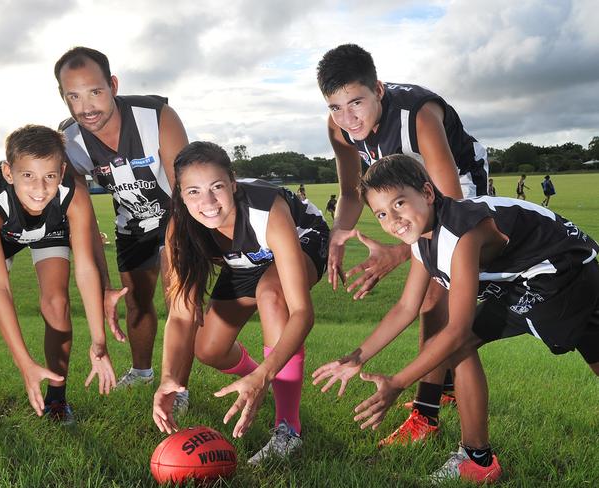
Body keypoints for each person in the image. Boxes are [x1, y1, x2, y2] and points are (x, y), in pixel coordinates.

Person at [313, 154, 599, 484]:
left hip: (558, 272)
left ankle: (478, 459)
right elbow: (406, 307)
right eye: (381, 213)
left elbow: (458, 330)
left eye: (400, 203)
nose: (393, 219)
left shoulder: (462, 233)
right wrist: (357, 356)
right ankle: (477, 458)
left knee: (457, 344)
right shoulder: (423, 237)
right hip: (561, 265)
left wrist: (397, 382)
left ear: (428, 193)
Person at [316, 43, 489, 442]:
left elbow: (450, 213)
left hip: (454, 187)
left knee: (435, 296)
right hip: (405, 190)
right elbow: (350, 190)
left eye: (356, 102)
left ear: (378, 89)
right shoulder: (339, 126)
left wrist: (400, 251)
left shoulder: (420, 116)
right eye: (335, 107)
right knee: (428, 297)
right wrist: (339, 235)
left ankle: (425, 414)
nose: (348, 118)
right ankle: (440, 387)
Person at [152, 142, 329, 464]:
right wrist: (167, 377)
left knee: (272, 295)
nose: (207, 202)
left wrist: (265, 373)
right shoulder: (180, 228)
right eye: (193, 192)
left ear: (233, 184)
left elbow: (302, 313)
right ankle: (262, 379)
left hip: (302, 237)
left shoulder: (267, 210)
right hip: (245, 261)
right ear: (179, 194)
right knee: (209, 349)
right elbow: (180, 316)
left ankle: (288, 429)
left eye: (216, 187)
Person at [0, 125, 118, 424]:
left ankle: (57, 398)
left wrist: (99, 341)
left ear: (62, 171)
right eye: (28, 175)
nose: (40, 189)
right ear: (8, 172)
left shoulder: (73, 194)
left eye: (49, 176)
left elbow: (85, 268)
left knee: (57, 304)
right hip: (2, 233)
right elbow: (0, 288)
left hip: (50, 229)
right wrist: (24, 362)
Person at [54, 47, 190, 407]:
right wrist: (103, 285)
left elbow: (185, 190)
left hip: (178, 213)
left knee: (180, 299)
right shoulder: (68, 141)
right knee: (136, 303)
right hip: (132, 223)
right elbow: (82, 220)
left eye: (95, 91)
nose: (86, 107)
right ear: (63, 98)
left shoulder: (157, 116)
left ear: (112, 85)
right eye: (74, 96)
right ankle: (142, 371)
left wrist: (174, 250)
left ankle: (177, 386)